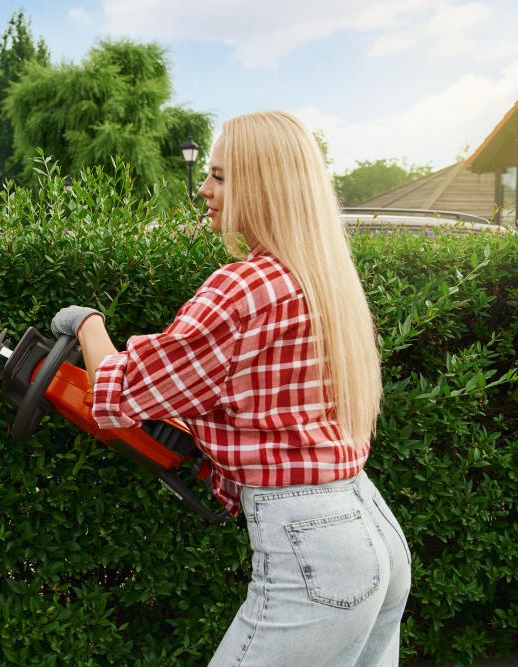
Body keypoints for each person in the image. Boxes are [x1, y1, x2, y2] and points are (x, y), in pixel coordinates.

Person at [50, 111, 411, 666]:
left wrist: (87, 324)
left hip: (313, 547)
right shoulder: (322, 278)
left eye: (218, 176)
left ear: (260, 185)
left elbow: (118, 392)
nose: (203, 189)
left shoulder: (246, 284)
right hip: (370, 525)